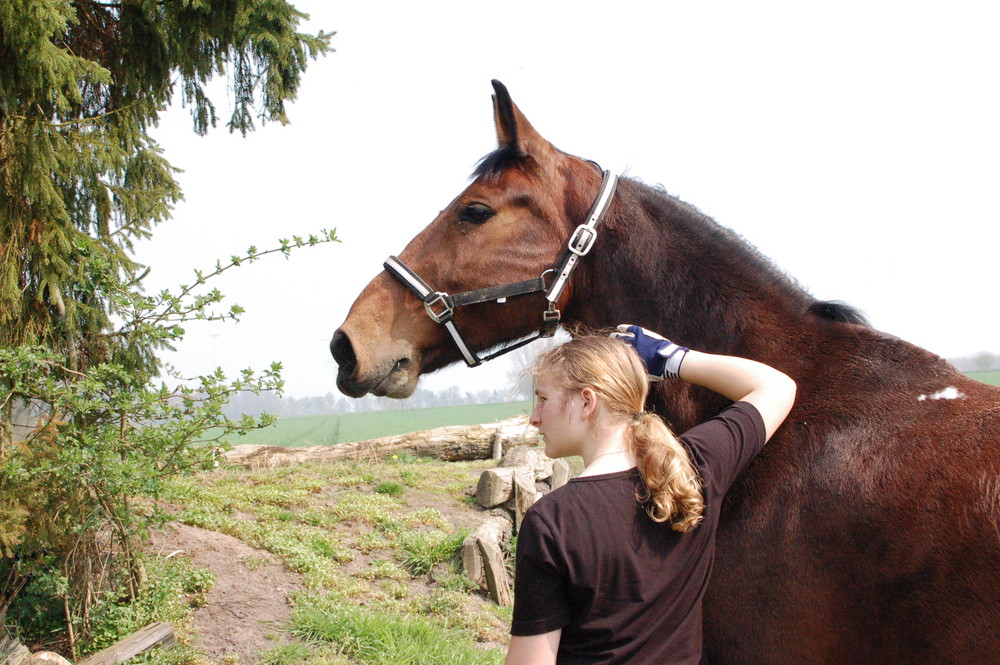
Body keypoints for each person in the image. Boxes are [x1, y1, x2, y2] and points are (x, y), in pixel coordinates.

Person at [504, 325, 796, 665]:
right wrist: (672, 358)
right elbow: (776, 387)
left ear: (587, 401)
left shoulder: (553, 520)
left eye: (542, 399)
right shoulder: (693, 469)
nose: (534, 418)